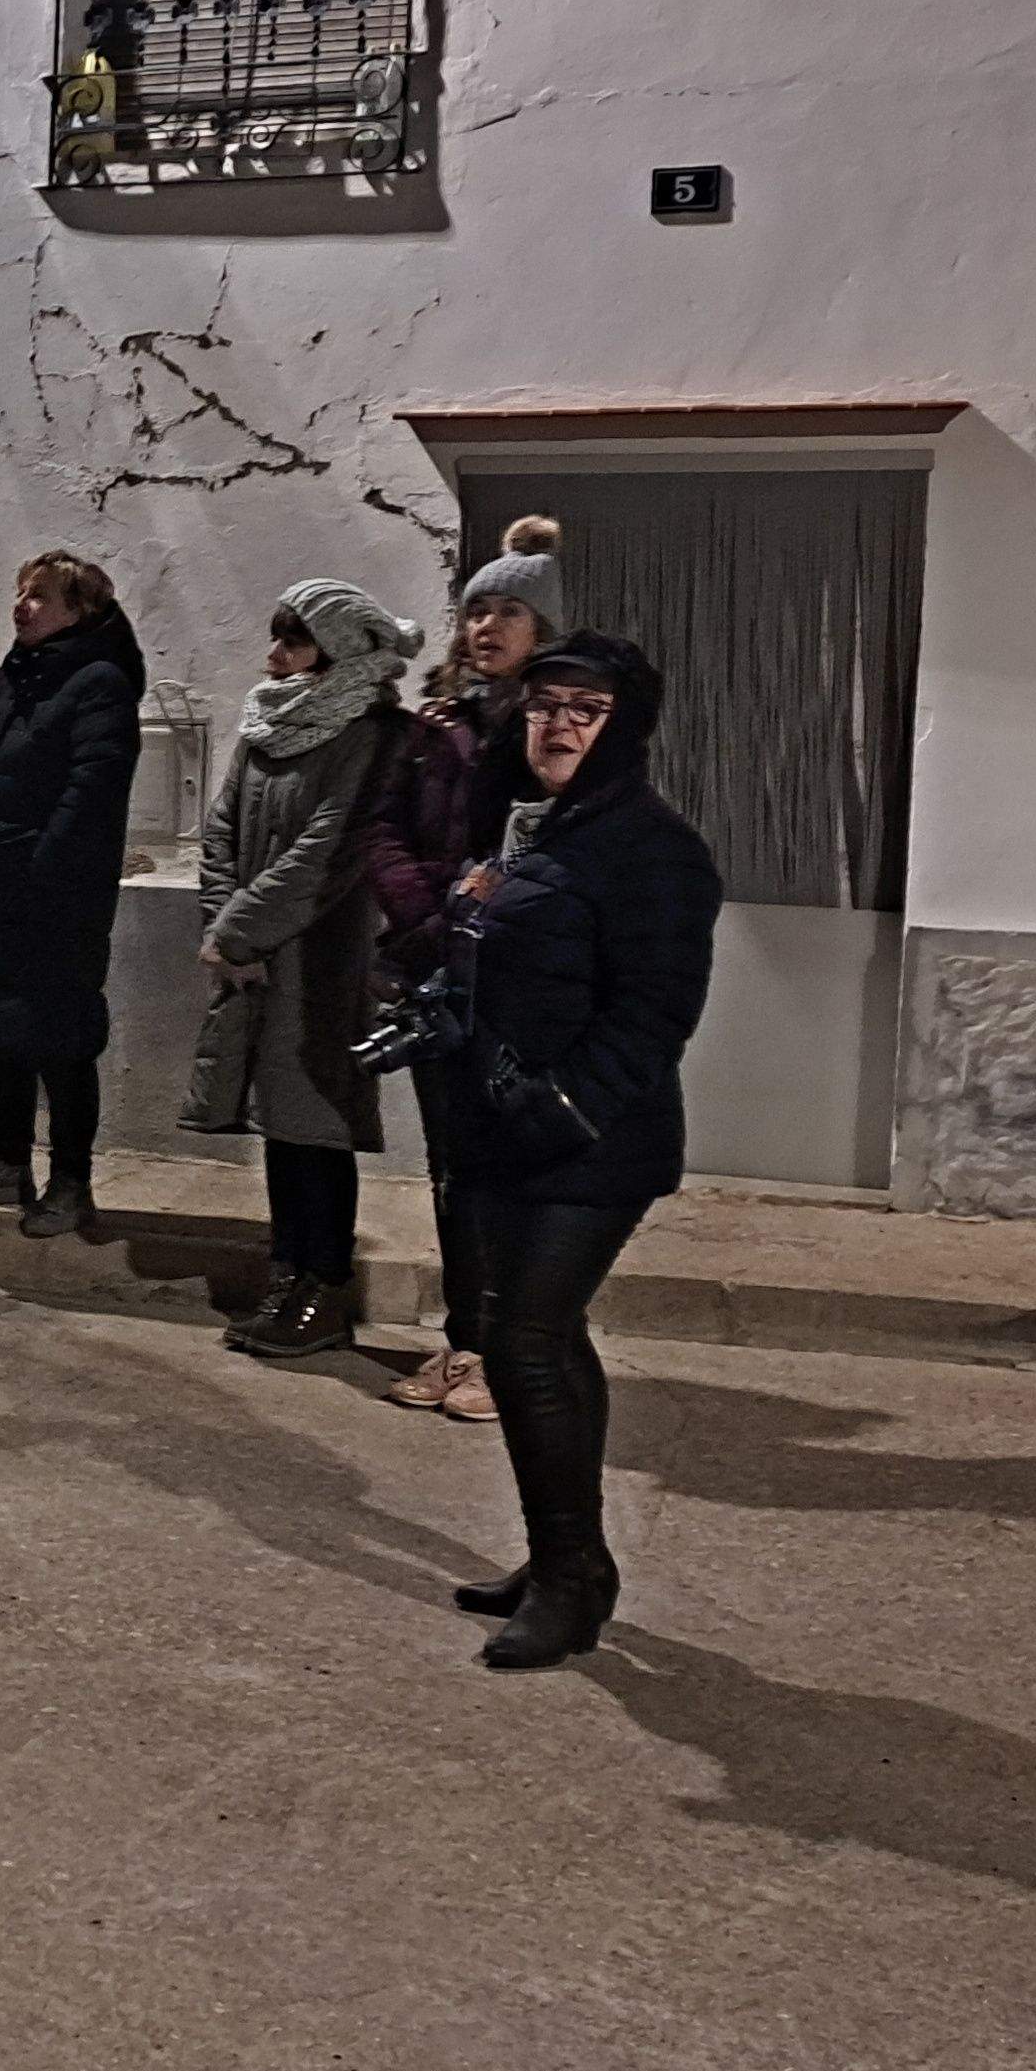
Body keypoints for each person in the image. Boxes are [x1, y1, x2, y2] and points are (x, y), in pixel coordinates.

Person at [420, 630, 721, 1672]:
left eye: (584, 710)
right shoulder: (519, 832)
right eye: (544, 703)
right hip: (501, 1129)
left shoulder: (652, 847)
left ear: (622, 727)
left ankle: (566, 1581)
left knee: (521, 1342)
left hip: (594, 1145)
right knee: (543, 1338)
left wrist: (558, 1103)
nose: (556, 724)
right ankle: (571, 1558)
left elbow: (655, 1015)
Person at [365, 513, 567, 1421]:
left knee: (510, 1164)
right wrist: (423, 906)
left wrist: (490, 903)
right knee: (452, 1167)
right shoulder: (433, 726)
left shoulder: (556, 726)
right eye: (477, 610)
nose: (486, 628)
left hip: (516, 976)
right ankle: (464, 1341)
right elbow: (383, 829)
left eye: (509, 613)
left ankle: (511, 1348)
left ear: (544, 631)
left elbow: (554, 849)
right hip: (434, 967)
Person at [183, 578, 415, 1364]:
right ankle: (287, 1275)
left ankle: (325, 1288)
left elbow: (329, 852)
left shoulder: (379, 737)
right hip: (253, 964)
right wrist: (224, 931)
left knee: (318, 1125)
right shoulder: (264, 731)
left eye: (291, 642)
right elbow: (219, 835)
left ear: (338, 652)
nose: (272, 657)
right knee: (280, 1131)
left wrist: (239, 933)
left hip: (323, 964)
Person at [0, 551, 147, 1239]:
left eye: (41, 596)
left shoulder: (98, 684)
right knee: (2, 1029)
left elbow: (91, 791)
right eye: (20, 593)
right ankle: (4, 1159)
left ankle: (72, 1181)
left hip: (55, 899)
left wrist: (44, 871)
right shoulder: (12, 678)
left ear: (80, 610)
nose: (22, 606)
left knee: (61, 1038)